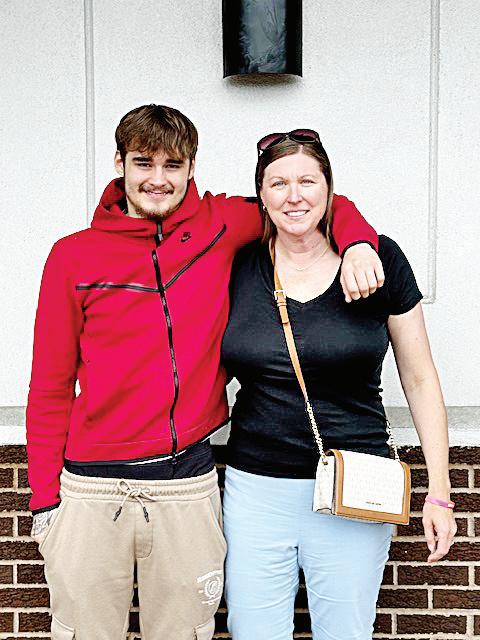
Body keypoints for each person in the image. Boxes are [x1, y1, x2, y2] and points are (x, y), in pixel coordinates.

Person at [26, 107, 384, 640]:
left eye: (173, 164)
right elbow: (50, 388)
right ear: (120, 164)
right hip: (91, 489)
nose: (158, 179)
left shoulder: (221, 224)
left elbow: (307, 202)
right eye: (143, 163)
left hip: (186, 485)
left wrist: (356, 242)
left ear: (192, 167)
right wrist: (44, 499)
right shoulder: (72, 256)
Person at [221, 129, 457, 640]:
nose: (294, 196)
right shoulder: (238, 264)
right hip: (256, 488)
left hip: (356, 485)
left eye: (308, 181)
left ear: (329, 188)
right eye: (278, 183)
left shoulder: (380, 260)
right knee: (252, 631)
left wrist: (439, 490)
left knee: (345, 631)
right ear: (260, 194)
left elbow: (419, 378)